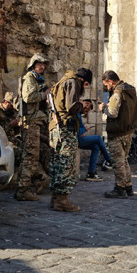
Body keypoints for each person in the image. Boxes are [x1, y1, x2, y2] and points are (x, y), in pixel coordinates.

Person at [48, 66, 93, 212]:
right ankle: (62, 200)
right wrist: (82, 105)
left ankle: (55, 197)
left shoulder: (62, 81)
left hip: (56, 128)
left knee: (57, 164)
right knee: (66, 164)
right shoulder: (73, 82)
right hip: (65, 129)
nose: (84, 88)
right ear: (83, 80)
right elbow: (72, 106)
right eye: (86, 84)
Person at [15, 54, 51, 202]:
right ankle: (23, 190)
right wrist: (44, 95)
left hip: (38, 121)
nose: (42, 67)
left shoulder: (39, 79)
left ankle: (33, 184)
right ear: (33, 65)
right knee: (29, 156)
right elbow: (28, 97)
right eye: (39, 64)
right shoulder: (29, 78)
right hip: (31, 122)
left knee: (34, 156)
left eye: (43, 64)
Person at [101, 70, 137, 199]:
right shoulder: (130, 90)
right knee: (124, 160)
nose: (107, 88)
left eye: (106, 85)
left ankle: (120, 188)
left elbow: (113, 113)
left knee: (118, 161)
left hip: (117, 131)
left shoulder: (118, 93)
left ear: (110, 81)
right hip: (128, 130)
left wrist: (104, 108)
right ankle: (128, 186)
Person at [78, 99, 112, 181]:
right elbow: (78, 131)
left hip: (78, 138)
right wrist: (84, 129)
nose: (87, 111)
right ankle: (109, 160)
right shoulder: (77, 114)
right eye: (87, 109)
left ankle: (91, 173)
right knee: (98, 138)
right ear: (86, 104)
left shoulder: (78, 114)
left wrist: (83, 130)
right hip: (76, 139)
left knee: (96, 147)